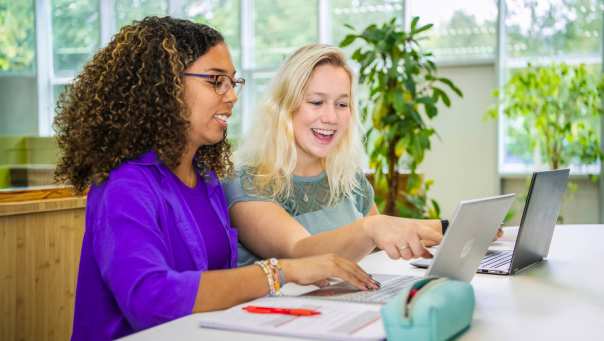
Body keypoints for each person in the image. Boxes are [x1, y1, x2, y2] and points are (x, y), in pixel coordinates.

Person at [55, 18, 380, 341]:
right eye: (215, 81)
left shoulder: (206, 179)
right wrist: (283, 270)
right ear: (164, 86)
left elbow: (217, 286)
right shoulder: (123, 186)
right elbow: (151, 299)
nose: (232, 96)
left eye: (232, 82)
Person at [223, 44, 444, 267]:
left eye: (341, 104)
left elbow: (383, 237)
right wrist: (370, 228)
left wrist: (446, 228)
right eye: (316, 102)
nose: (331, 117)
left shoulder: (346, 177)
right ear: (284, 106)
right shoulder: (247, 181)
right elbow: (299, 251)